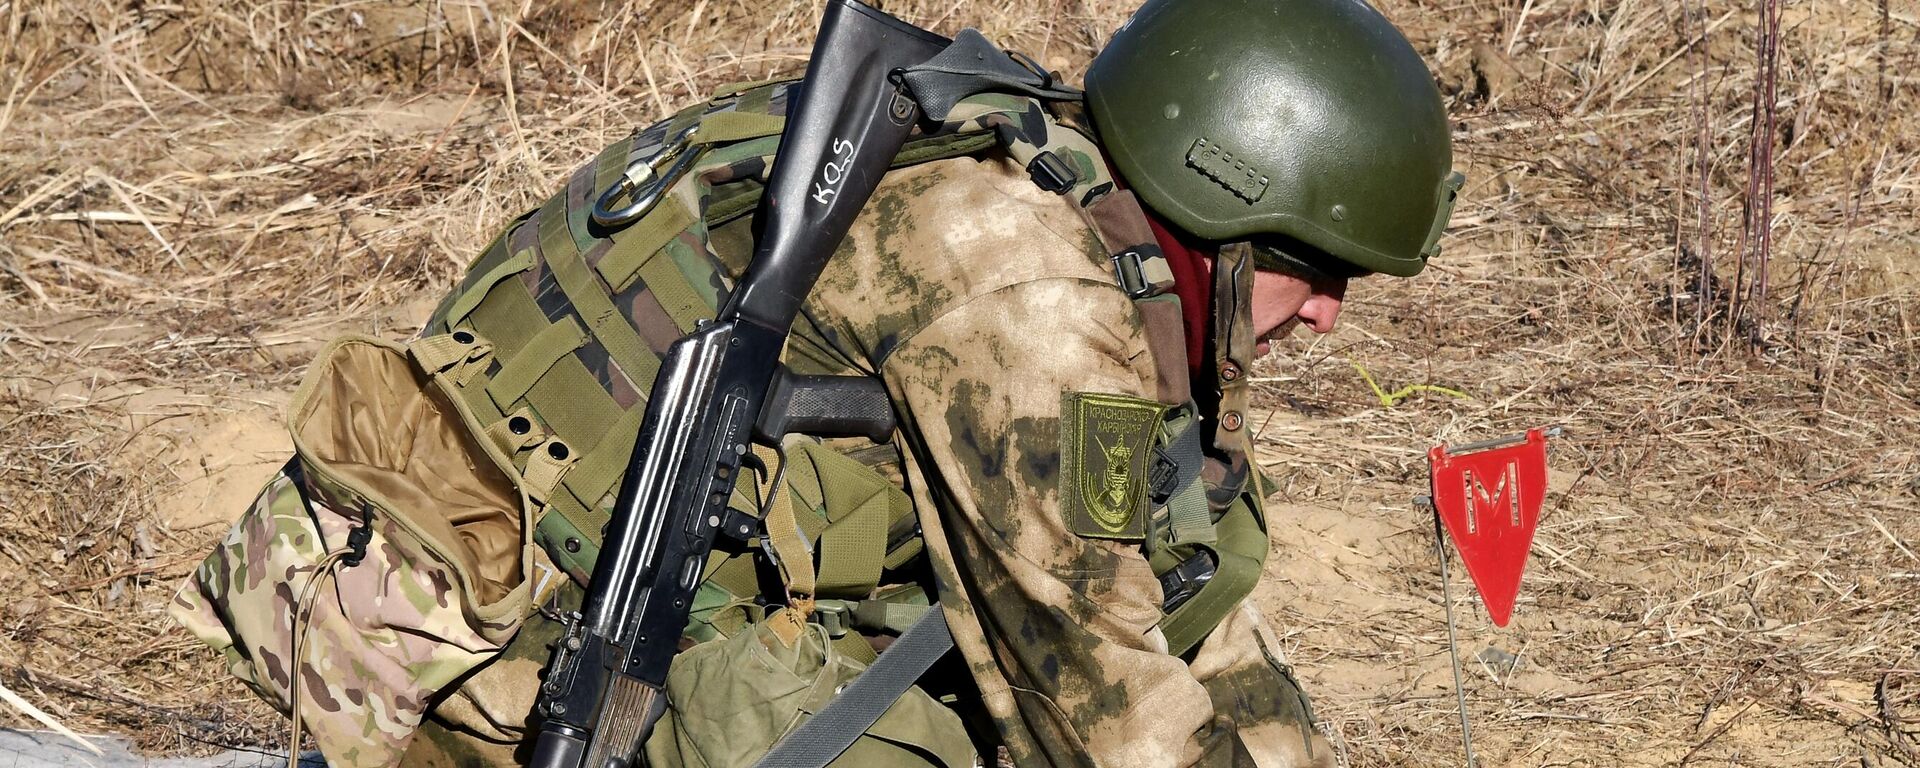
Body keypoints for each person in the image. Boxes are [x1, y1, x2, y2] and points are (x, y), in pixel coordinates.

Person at [400, 0, 1460, 764]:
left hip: (568, 589)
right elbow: (1092, 686)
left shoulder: (1077, 206)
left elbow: (1181, 583)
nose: (1327, 313)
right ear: (1221, 208)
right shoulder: (1026, 294)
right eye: (1315, 273)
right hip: (510, 657)